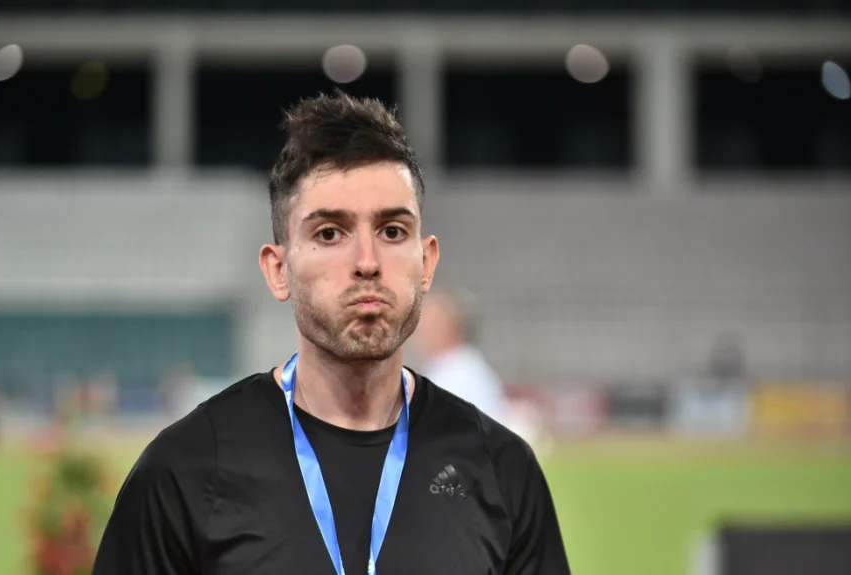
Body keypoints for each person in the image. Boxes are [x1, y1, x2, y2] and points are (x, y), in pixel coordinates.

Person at [92, 91, 572, 575]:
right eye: (329, 233)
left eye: (392, 231)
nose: (367, 262)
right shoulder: (184, 470)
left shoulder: (503, 470)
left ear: (426, 263)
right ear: (278, 270)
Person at [410, 289, 510, 427]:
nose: (420, 331)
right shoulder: (445, 370)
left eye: (429, 324)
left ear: (451, 327)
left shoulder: (462, 376)